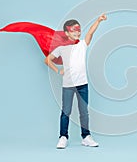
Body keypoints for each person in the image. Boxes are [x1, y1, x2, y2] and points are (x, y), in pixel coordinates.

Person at [44, 13, 107, 149]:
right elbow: (47, 60)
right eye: (73, 30)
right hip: (68, 86)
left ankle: (86, 137)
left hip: (82, 85)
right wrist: (58, 70)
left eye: (78, 30)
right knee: (66, 112)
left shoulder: (82, 45)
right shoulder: (61, 49)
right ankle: (63, 137)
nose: (77, 32)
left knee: (84, 112)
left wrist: (98, 20)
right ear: (67, 33)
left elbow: (90, 32)